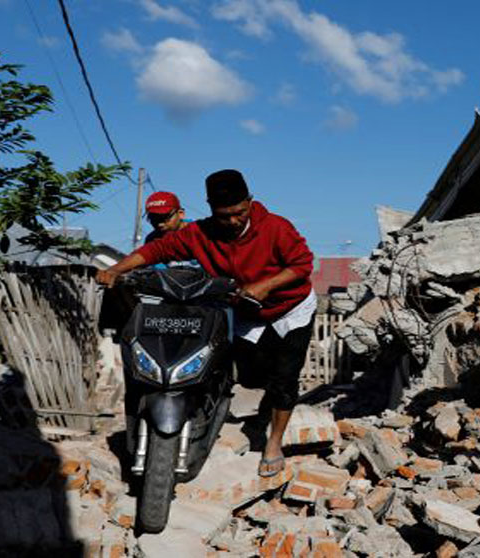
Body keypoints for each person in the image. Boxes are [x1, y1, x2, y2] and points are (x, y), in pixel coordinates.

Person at [97, 170, 316, 478]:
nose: (233, 222)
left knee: (284, 379)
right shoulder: (200, 233)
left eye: (240, 213)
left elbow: (302, 264)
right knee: (249, 376)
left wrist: (267, 284)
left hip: (290, 310)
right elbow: (156, 250)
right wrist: (117, 269)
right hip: (248, 312)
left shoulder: (276, 228)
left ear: (249, 203)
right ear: (211, 208)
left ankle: (273, 443)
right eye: (224, 216)